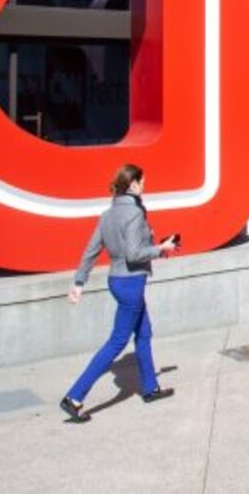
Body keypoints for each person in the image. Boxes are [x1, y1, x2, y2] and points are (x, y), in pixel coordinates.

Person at [60, 164, 180, 423]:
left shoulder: (108, 214)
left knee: (144, 333)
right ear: (134, 184)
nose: (145, 186)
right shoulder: (135, 214)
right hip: (131, 284)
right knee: (117, 342)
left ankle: (150, 388)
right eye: (143, 182)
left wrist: (79, 282)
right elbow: (135, 254)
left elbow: (91, 251)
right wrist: (162, 248)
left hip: (117, 280)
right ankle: (74, 396)